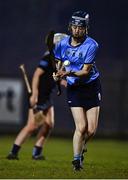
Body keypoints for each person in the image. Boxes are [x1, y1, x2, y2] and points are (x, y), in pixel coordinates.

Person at [7, 33, 68, 160]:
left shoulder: (57, 59)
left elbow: (52, 76)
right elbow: (36, 75)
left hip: (47, 96)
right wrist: (34, 94)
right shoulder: (47, 58)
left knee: (49, 124)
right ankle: (13, 152)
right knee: (32, 126)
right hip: (40, 96)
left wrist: (61, 81)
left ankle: (36, 153)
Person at [54, 11, 102, 170]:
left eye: (80, 27)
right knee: (81, 127)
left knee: (91, 130)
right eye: (74, 26)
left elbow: (85, 71)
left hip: (91, 86)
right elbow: (59, 65)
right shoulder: (61, 44)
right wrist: (58, 75)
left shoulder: (92, 45)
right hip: (74, 88)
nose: (77, 30)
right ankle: (76, 161)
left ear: (86, 29)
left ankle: (81, 149)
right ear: (70, 27)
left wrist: (68, 73)